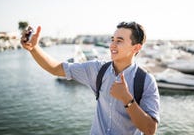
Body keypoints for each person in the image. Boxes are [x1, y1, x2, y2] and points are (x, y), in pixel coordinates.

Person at [20, 21, 160, 135]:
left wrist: (126, 99)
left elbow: (150, 130)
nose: (112, 45)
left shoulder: (146, 81)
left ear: (136, 48)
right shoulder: (98, 69)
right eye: (112, 40)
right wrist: (34, 48)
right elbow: (56, 68)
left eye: (119, 41)